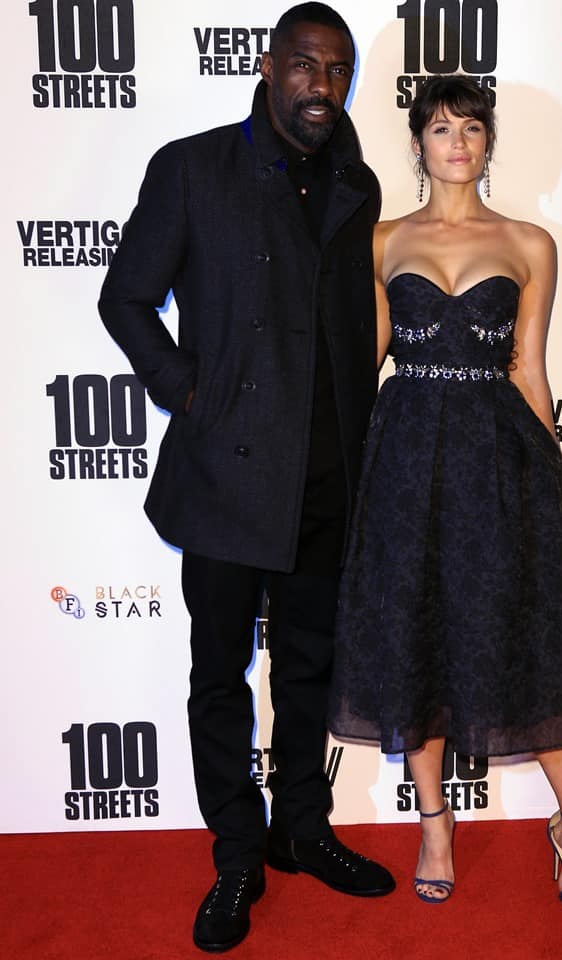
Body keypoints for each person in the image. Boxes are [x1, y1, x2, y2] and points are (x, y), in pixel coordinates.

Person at [98, 3, 395, 952]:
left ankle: (300, 827)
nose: (321, 86)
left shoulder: (357, 181)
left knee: (309, 668)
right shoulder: (193, 168)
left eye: (337, 71)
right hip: (227, 473)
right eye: (305, 65)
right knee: (219, 675)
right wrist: (190, 391)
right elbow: (125, 297)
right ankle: (236, 851)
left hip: (326, 475)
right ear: (268, 68)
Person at [329, 75, 562, 913]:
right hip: (406, 463)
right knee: (418, 639)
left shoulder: (529, 243)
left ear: (488, 142)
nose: (457, 142)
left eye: (472, 128)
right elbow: (366, 362)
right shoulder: (379, 241)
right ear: (417, 143)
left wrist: (547, 487)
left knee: (515, 639)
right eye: (441, 128)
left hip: (498, 461)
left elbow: (529, 371)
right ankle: (435, 826)